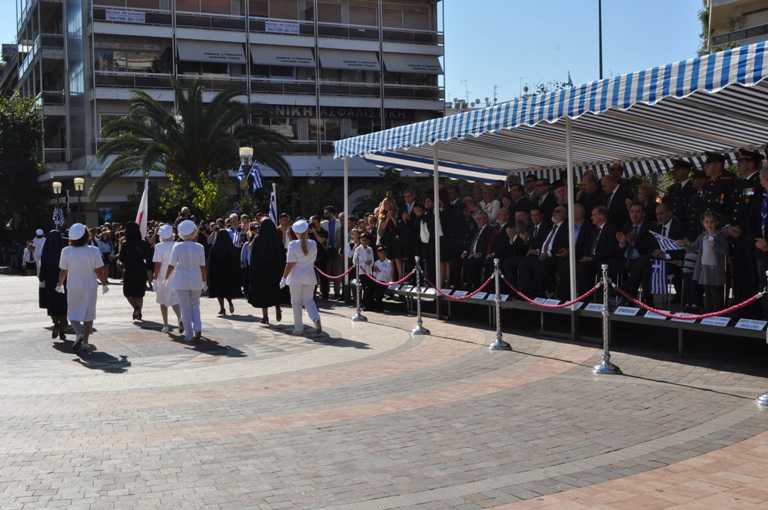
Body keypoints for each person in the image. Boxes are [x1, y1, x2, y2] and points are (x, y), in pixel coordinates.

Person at [57, 223, 109, 353]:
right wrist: (104, 283)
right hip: (90, 286)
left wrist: (59, 284)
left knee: (72, 313)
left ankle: (78, 332)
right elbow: (99, 270)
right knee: (88, 314)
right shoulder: (93, 250)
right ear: (86, 236)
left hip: (73, 286)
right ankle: (85, 342)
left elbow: (63, 270)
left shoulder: (66, 251)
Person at [166, 220, 208, 342]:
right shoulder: (200, 247)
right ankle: (198, 328)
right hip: (196, 279)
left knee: (184, 307)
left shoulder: (177, 247)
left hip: (181, 280)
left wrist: (166, 278)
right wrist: (205, 281)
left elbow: (171, 265)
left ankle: (188, 334)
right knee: (195, 305)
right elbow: (203, 266)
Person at [280, 220, 321, 336]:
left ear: (296, 233)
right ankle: (316, 320)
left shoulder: (293, 245)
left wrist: (283, 278)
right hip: (309, 276)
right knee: (309, 301)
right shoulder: (313, 243)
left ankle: (298, 328)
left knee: (296, 303)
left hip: (296, 277)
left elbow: (290, 264)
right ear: (307, 231)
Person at [247, 218, 284, 324]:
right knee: (275, 290)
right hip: (274, 270)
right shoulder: (277, 238)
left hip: (261, 270)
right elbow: (281, 254)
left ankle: (265, 316)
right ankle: (277, 307)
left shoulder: (259, 238)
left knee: (263, 293)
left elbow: (251, 250)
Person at [691, 212, 729, 311]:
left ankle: (718, 314)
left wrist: (715, 245)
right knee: (707, 293)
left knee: (716, 293)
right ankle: (708, 313)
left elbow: (726, 251)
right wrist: (684, 244)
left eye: (712, 222)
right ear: (703, 223)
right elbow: (693, 247)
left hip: (716, 269)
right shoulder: (702, 236)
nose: (709, 224)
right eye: (707, 222)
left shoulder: (720, 236)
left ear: (716, 223)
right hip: (705, 268)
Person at [118, 222, 152, 322]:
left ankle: (136, 309)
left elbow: (121, 258)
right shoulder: (143, 243)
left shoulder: (125, 244)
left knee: (128, 293)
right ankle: (138, 310)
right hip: (141, 270)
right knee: (139, 293)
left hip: (129, 270)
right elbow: (149, 257)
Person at [152, 224, 182, 334]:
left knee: (163, 301)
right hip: (177, 277)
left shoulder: (159, 246)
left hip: (163, 277)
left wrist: (154, 278)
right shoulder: (178, 245)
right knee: (176, 301)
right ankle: (180, 319)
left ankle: (165, 325)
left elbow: (157, 264)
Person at [38, 229, 67, 341]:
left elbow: (43, 267)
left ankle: (55, 322)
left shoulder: (46, 251)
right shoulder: (64, 251)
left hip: (50, 282)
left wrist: (42, 278)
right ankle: (62, 326)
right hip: (63, 281)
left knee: (52, 304)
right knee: (63, 304)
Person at [207, 228, 241, 316]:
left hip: (217, 273)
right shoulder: (231, 247)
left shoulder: (214, 247)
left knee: (219, 292)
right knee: (227, 291)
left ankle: (222, 308)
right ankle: (230, 303)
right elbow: (235, 260)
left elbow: (210, 261)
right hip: (228, 273)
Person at [353, 234, 375, 308]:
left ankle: (368, 304)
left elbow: (372, 260)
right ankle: (364, 303)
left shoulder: (370, 249)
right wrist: (364, 263)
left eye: (366, 240)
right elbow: (355, 261)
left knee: (369, 288)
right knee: (365, 288)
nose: (364, 242)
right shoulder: (358, 249)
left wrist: (370, 263)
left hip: (369, 272)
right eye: (362, 240)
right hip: (361, 273)